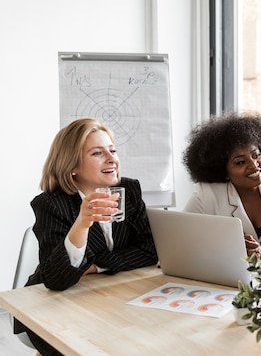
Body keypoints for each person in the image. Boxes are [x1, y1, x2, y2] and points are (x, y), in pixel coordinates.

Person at [16, 118, 158, 355]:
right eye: (97, 153)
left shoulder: (130, 190)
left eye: (112, 150)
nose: (112, 159)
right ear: (73, 166)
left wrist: (95, 265)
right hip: (51, 308)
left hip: (109, 298)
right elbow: (56, 279)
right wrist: (81, 224)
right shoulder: (51, 204)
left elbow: (149, 252)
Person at [183, 112, 261, 258]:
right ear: (223, 170)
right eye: (240, 162)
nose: (254, 165)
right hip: (226, 278)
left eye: (256, 155)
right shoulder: (207, 196)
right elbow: (179, 243)